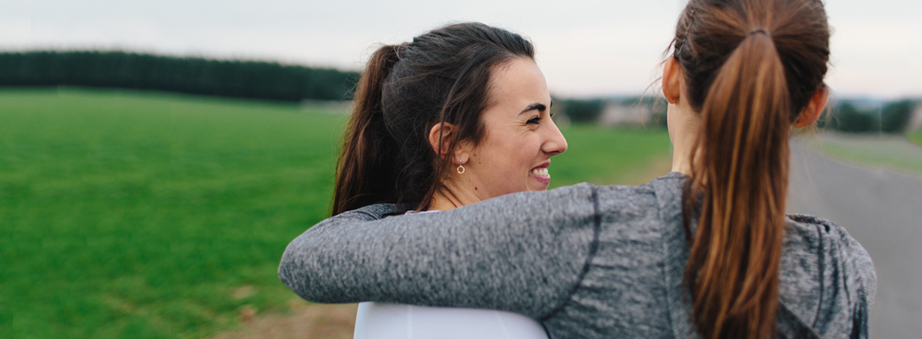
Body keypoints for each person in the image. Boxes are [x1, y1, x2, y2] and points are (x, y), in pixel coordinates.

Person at [279, 1, 876, 338]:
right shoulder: (846, 272)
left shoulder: (579, 238)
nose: (555, 140)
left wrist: (409, 205)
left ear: (671, 78)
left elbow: (311, 261)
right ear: (812, 105)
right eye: (535, 118)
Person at [325, 22, 567, 339]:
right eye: (533, 120)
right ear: (453, 143)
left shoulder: (444, 255)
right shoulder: (433, 293)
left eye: (550, 115)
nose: (559, 141)